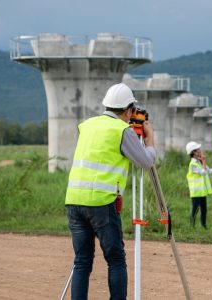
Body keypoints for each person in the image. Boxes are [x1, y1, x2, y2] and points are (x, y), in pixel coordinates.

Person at [65, 83, 156, 300]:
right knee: (115, 259)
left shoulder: (86, 125)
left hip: (74, 200)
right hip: (101, 203)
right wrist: (149, 137)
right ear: (127, 110)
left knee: (82, 260)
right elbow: (145, 161)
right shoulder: (122, 131)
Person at [185, 141, 212, 229]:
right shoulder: (193, 164)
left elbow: (209, 171)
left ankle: (204, 226)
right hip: (196, 192)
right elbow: (204, 173)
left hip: (202, 192)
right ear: (194, 152)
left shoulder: (199, 162)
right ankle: (191, 227)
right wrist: (204, 161)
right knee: (195, 209)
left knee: (204, 209)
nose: (200, 151)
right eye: (198, 149)